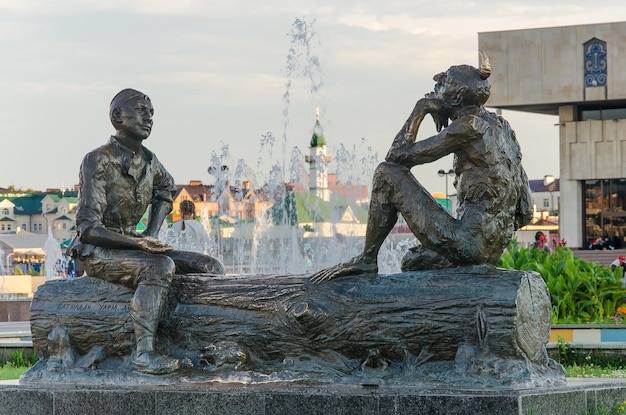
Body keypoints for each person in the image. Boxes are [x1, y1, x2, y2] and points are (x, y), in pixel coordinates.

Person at [311, 51, 532, 282]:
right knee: (413, 260)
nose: (436, 86)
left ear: (458, 96)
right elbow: (526, 211)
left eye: (443, 82)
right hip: (490, 250)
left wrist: (421, 108)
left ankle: (367, 259)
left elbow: (395, 157)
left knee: (386, 174)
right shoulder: (502, 127)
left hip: (469, 245)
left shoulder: (468, 127)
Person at [67, 88, 224, 375]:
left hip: (135, 247)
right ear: (117, 116)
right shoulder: (98, 160)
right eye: (140, 110)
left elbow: (166, 190)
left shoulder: (151, 162)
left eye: (151, 112)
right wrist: (139, 244)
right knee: (160, 266)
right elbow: (88, 229)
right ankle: (144, 352)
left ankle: (191, 341)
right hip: (99, 251)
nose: (148, 117)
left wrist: (149, 234)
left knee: (210, 266)